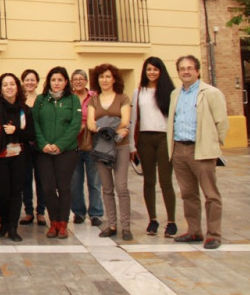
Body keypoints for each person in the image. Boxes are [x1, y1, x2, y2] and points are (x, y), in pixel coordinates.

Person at [167, 55, 229, 250]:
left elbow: (222, 122)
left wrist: (213, 144)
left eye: (189, 68)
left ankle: (213, 235)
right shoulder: (175, 94)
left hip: (201, 149)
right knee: (188, 193)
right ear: (178, 72)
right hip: (179, 148)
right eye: (182, 69)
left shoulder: (210, 93)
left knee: (211, 194)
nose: (186, 71)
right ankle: (194, 230)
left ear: (197, 71)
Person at [129, 56, 177, 238]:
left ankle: (171, 221)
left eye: (155, 69)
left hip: (164, 138)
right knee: (148, 181)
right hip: (145, 138)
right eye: (149, 69)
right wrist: (132, 146)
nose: (152, 72)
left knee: (166, 181)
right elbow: (134, 118)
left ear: (161, 71)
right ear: (144, 71)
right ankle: (153, 219)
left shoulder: (171, 92)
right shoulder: (138, 92)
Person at [33, 66, 82, 240]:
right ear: (49, 82)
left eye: (60, 80)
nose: (56, 83)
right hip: (44, 152)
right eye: (53, 80)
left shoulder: (73, 100)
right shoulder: (40, 100)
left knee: (63, 187)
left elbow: (75, 125)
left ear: (66, 82)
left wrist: (60, 144)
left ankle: (63, 223)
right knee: (47, 188)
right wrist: (44, 144)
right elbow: (35, 124)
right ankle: (53, 221)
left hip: (66, 152)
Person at [87, 64, 132, 239]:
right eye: (101, 77)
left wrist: (103, 125)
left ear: (114, 79)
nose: (104, 80)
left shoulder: (122, 98)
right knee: (106, 188)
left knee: (121, 187)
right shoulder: (94, 100)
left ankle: (126, 227)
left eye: (107, 76)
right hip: (101, 148)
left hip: (120, 147)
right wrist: (113, 125)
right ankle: (112, 225)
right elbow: (91, 124)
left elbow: (125, 121)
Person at [0, 73, 35, 242]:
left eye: (12, 84)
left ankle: (13, 228)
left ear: (17, 87)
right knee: (1, 193)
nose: (9, 87)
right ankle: (4, 224)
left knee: (16, 193)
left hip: (20, 156)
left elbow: (31, 134)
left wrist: (16, 130)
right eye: (5, 84)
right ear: (0, 89)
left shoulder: (25, 110)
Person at [70, 69, 104, 227]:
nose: (78, 81)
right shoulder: (68, 98)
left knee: (94, 181)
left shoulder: (95, 97)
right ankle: (78, 212)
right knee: (75, 181)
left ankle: (96, 213)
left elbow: (102, 115)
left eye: (80, 78)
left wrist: (86, 125)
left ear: (86, 81)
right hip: (73, 144)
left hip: (92, 143)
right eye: (75, 79)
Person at [19, 68, 46, 226]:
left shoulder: (42, 100)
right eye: (27, 80)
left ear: (37, 82)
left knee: (41, 179)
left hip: (40, 145)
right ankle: (28, 211)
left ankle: (41, 212)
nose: (29, 82)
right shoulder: (19, 100)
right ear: (23, 82)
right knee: (25, 180)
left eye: (32, 80)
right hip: (23, 146)